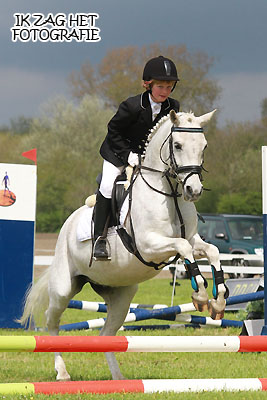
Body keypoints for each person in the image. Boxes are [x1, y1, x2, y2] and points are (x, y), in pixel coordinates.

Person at [93, 55, 180, 260]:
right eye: (160, 87)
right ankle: (100, 239)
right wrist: (127, 155)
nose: (165, 92)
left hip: (149, 159)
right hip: (117, 153)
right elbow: (113, 131)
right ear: (148, 85)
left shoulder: (173, 106)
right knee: (107, 186)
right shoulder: (131, 106)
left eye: (169, 87)